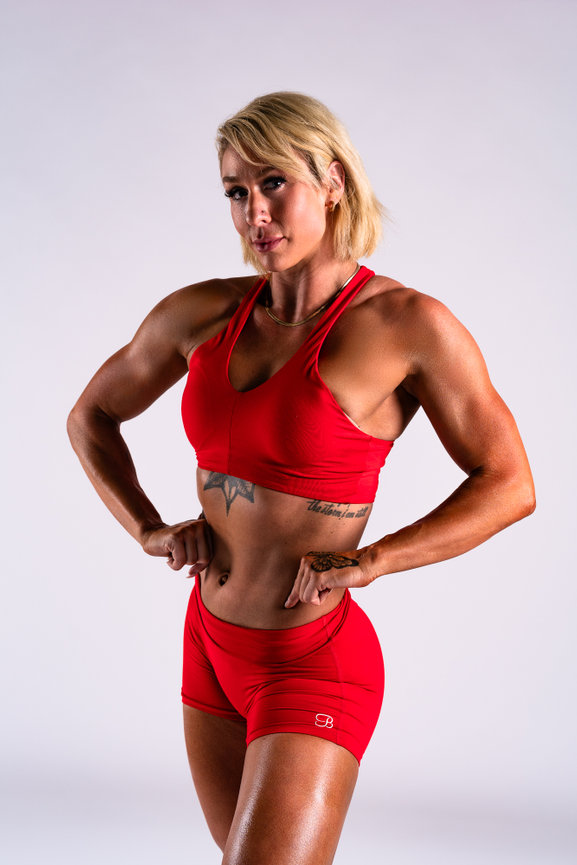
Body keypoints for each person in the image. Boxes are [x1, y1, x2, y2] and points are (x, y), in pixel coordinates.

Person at [67, 91, 535, 865]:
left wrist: (375, 558)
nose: (254, 212)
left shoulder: (406, 325)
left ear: (332, 181)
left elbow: (509, 481)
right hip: (209, 645)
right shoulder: (201, 313)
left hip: (312, 658)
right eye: (235, 190)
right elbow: (91, 415)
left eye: (273, 182)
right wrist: (147, 527)